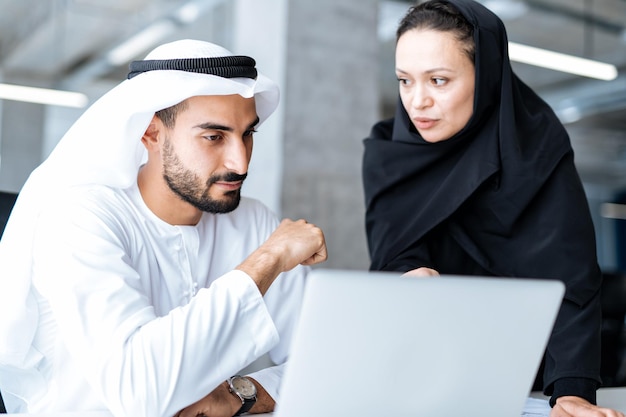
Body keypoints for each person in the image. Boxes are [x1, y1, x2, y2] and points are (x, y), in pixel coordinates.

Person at [0, 39, 327, 417]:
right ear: (150, 134)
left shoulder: (252, 221)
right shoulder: (80, 217)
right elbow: (141, 394)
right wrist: (267, 259)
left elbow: (322, 363)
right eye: (214, 137)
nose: (240, 162)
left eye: (247, 134)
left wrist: (243, 395)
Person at [362, 1, 624, 416]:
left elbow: (571, 281)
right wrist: (408, 275)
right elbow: (394, 251)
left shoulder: (538, 145)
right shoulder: (388, 152)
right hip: (426, 366)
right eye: (404, 81)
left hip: (533, 374)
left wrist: (572, 390)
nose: (418, 101)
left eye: (439, 80)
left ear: (486, 76)